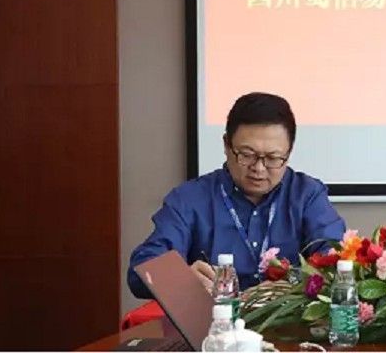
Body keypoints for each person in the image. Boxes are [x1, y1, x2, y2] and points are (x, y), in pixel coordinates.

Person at [127, 92, 346, 299]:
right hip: (212, 322)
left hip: (288, 322)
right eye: (247, 155)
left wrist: (292, 283)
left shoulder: (307, 196)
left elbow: (336, 260)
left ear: (289, 153)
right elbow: (141, 269)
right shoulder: (189, 199)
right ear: (226, 145)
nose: (259, 168)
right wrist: (181, 278)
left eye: (272, 158)